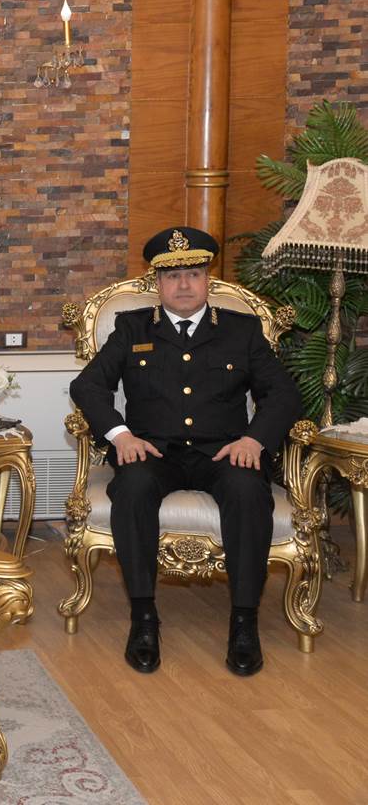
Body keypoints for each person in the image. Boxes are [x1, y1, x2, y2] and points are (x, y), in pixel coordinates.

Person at [70, 226, 300, 677]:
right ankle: (144, 618)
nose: (183, 285)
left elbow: (284, 394)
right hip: (153, 453)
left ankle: (244, 622)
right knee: (133, 488)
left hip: (225, 453)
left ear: (207, 280)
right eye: (172, 277)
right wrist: (120, 435)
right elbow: (88, 386)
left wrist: (254, 440)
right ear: (157, 283)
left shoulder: (241, 330)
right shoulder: (132, 327)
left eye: (193, 274)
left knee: (248, 492)